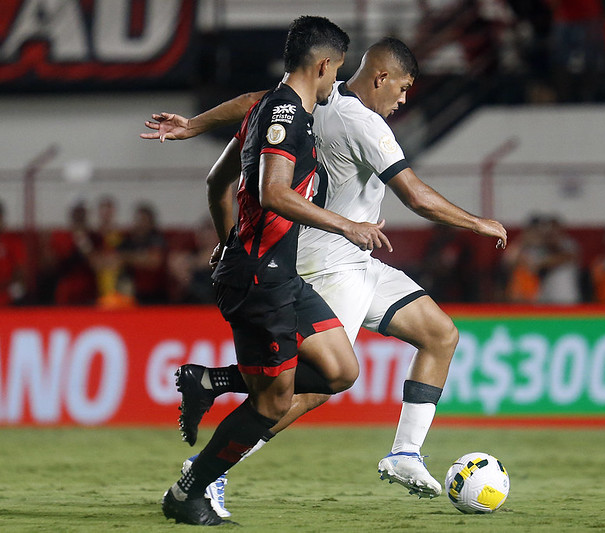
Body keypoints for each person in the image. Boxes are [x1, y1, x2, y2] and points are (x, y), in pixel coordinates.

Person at [142, 36, 507, 515]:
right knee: (312, 387)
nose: (403, 101)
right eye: (402, 89)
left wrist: (196, 125)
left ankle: (404, 453)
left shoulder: (318, 96)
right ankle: (211, 470)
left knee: (440, 335)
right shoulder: (363, 123)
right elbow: (415, 196)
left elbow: (256, 102)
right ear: (381, 77)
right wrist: (477, 222)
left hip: (357, 259)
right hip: (327, 262)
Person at [158, 16, 390, 526]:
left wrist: (225, 240)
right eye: (337, 72)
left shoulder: (269, 106)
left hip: (275, 272)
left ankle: (212, 380)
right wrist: (346, 225)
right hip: (260, 278)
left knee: (340, 371)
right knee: (273, 402)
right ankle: (188, 491)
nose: (337, 84)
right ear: (325, 64)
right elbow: (274, 193)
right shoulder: (286, 113)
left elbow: (217, 181)